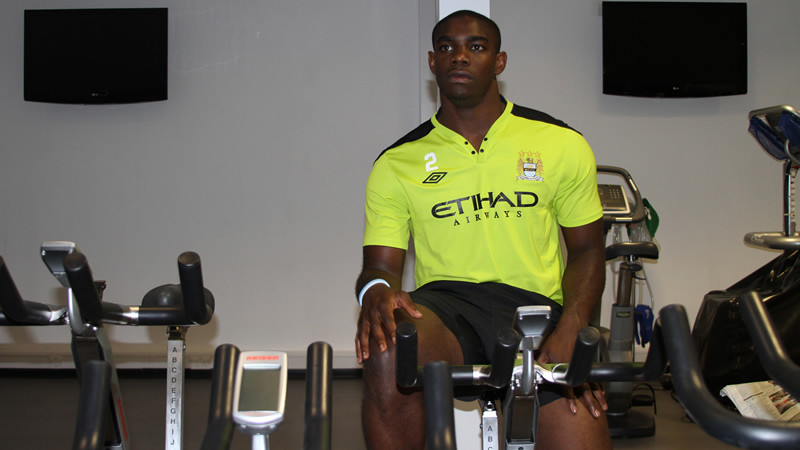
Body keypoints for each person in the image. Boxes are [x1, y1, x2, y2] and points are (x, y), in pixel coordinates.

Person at [354, 9, 611, 449]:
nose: (460, 56)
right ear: (432, 63)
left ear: (499, 61)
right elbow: (379, 267)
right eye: (447, 47)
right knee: (390, 340)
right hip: (448, 309)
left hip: (537, 313)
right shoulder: (397, 163)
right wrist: (375, 290)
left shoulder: (561, 142)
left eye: (475, 46)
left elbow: (587, 250)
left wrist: (573, 325)